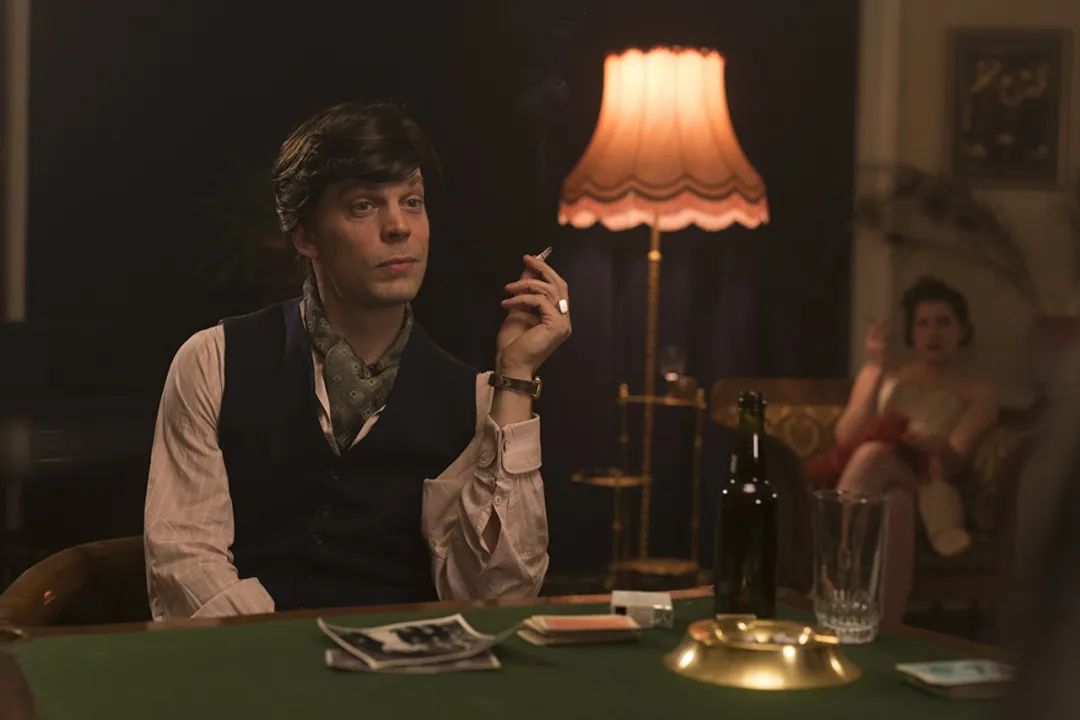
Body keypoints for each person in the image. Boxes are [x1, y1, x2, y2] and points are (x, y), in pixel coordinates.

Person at [143, 101, 571, 619]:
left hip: (406, 665)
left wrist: (516, 376)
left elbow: (499, 597)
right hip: (252, 659)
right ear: (305, 235)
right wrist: (280, 652)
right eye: (364, 206)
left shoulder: (478, 399)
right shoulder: (214, 361)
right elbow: (185, 561)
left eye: (412, 202)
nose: (399, 227)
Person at [832, 276, 998, 623]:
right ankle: (887, 628)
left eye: (944, 323)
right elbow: (845, 438)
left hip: (931, 488)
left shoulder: (977, 394)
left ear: (962, 330)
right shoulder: (883, 373)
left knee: (875, 455)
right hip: (876, 483)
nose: (933, 333)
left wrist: (937, 446)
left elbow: (951, 466)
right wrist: (876, 370)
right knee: (896, 499)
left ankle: (831, 572)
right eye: (923, 324)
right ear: (912, 332)